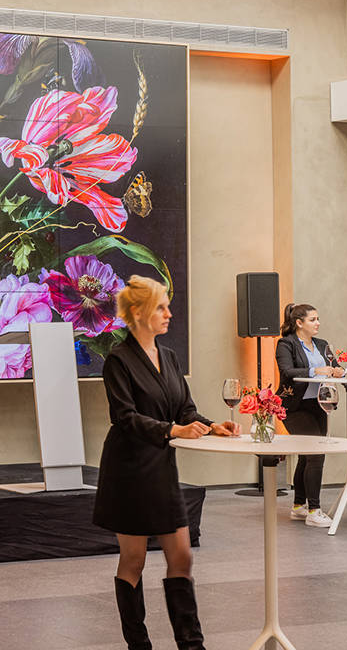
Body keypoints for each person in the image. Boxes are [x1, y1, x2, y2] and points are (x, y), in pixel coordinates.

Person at [93, 276, 238, 650]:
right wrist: (175, 429)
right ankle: (138, 646)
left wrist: (210, 425)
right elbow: (124, 418)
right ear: (139, 313)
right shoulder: (118, 360)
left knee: (182, 556)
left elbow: (184, 408)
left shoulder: (170, 357)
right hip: (128, 471)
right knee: (134, 560)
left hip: (161, 468)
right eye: (161, 307)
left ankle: (192, 645)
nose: (169, 314)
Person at [275, 303, 345, 529]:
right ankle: (314, 510)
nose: (318, 323)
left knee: (307, 456)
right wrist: (316, 370)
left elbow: (334, 365)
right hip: (294, 407)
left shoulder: (322, 345)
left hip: (319, 405)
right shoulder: (286, 344)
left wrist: (339, 370)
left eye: (318, 319)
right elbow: (287, 372)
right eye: (313, 319)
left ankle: (298, 507)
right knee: (316, 454)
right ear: (299, 323)